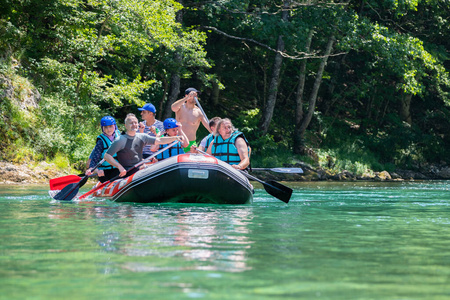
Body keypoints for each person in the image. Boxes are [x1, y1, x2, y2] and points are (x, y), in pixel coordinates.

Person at [104, 114, 182, 177]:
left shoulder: (142, 137)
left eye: (135, 122)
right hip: (128, 172)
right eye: (131, 123)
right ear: (125, 125)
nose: (134, 125)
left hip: (140, 169)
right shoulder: (120, 140)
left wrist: (175, 137)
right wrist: (119, 167)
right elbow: (107, 156)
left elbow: (159, 140)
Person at [171, 87, 211, 152]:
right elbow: (173, 107)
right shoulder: (180, 107)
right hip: (178, 142)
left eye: (196, 96)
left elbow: (209, 127)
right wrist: (187, 98)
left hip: (191, 144)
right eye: (193, 95)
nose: (196, 97)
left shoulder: (199, 112)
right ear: (186, 96)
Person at [85, 116, 121, 182]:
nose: (108, 129)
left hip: (118, 168)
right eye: (106, 127)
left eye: (110, 126)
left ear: (115, 126)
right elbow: (95, 158)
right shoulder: (100, 141)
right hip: (105, 172)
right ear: (102, 128)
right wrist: (93, 169)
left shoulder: (120, 136)